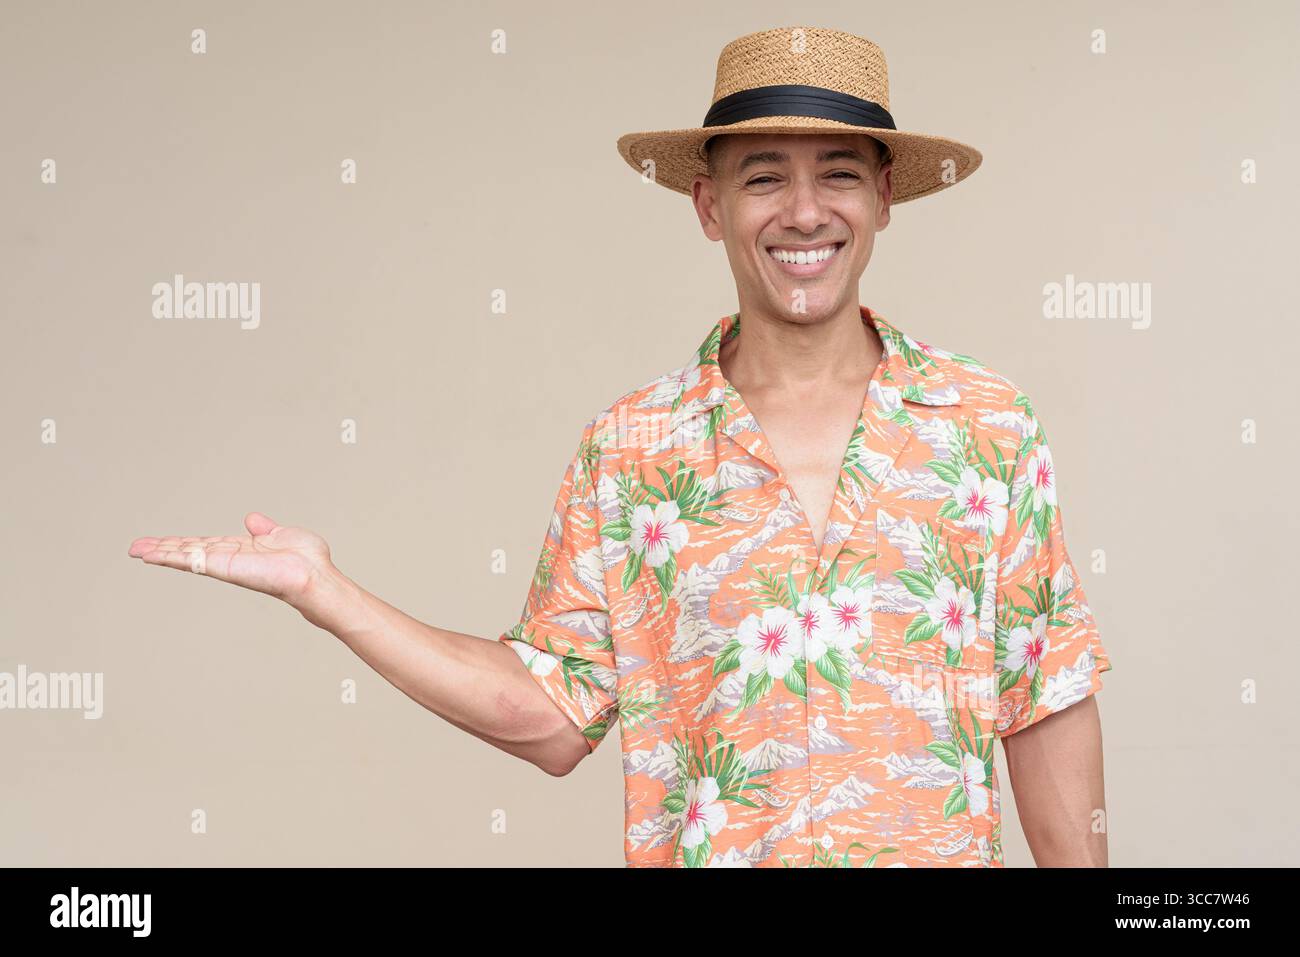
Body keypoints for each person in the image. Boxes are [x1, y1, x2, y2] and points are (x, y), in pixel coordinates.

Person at [128, 26, 1112, 868]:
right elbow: (551, 714)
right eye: (763, 177)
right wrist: (330, 596)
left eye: (838, 175)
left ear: (884, 197)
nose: (804, 212)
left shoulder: (985, 426)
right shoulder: (632, 451)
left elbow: (1044, 701)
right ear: (708, 205)